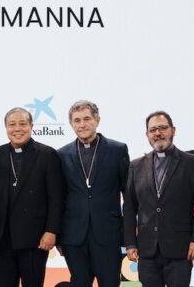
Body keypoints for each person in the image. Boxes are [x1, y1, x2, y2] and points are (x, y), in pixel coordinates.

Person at [0, 107, 65, 287]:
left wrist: (52, 231)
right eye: (12, 124)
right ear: (6, 128)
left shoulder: (47, 154)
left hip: (35, 239)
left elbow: (56, 198)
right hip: (3, 239)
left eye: (22, 124)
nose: (17, 129)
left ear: (32, 126)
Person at [123, 111, 194, 287]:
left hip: (181, 250)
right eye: (152, 130)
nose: (157, 133)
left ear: (173, 130)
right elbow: (129, 208)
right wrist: (130, 243)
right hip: (147, 251)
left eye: (162, 128)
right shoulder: (136, 166)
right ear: (147, 135)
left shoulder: (192, 163)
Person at [57, 100, 129, 287]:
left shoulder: (118, 150)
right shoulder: (61, 154)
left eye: (87, 119)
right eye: (77, 120)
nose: (82, 124)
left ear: (97, 120)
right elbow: (59, 199)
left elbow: (128, 195)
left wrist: (129, 236)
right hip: (74, 237)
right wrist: (58, 236)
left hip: (108, 234)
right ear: (72, 124)